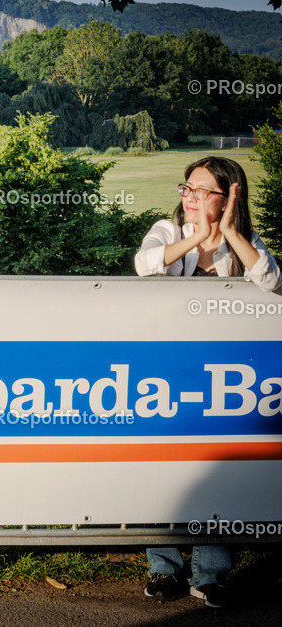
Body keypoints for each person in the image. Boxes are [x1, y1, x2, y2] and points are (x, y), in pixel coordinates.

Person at [135, 156, 280, 608]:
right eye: (187, 189)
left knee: (214, 468)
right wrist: (196, 237)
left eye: (202, 191)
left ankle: (211, 571)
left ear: (229, 197)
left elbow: (273, 281)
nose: (190, 198)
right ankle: (163, 567)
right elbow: (144, 266)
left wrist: (232, 235)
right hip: (164, 372)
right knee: (163, 467)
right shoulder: (167, 230)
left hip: (220, 379)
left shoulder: (244, 242)